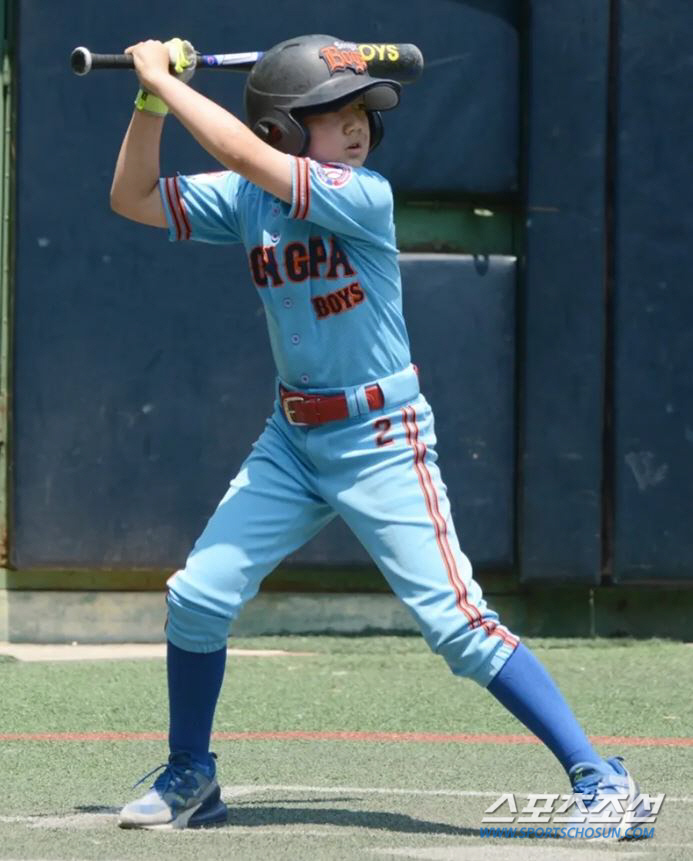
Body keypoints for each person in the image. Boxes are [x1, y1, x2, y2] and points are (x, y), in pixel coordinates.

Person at [111, 34, 650, 836]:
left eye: (361, 110)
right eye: (331, 113)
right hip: (292, 440)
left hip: (379, 436)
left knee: (457, 626)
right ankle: (192, 773)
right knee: (197, 598)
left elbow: (239, 149)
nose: (356, 126)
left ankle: (602, 781)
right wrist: (149, 100)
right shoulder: (251, 196)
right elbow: (133, 197)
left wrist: (165, 76)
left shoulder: (360, 194)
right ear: (282, 129)